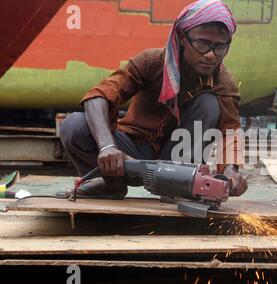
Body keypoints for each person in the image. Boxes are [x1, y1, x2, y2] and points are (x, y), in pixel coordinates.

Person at [58, 0, 247, 199]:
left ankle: (178, 189)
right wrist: (108, 147)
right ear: (182, 37)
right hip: (129, 155)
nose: (210, 55)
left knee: (210, 104)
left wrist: (230, 170)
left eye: (219, 47)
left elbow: (230, 132)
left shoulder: (224, 83)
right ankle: (110, 185)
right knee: (74, 126)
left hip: (175, 162)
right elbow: (98, 96)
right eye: (202, 44)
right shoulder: (151, 62)